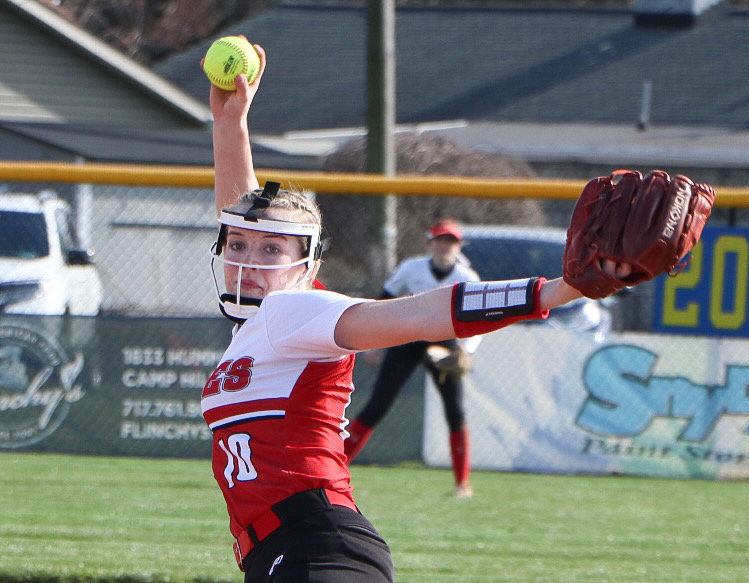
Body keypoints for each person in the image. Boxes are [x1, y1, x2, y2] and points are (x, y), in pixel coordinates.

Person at [202, 39, 627, 583]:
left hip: (317, 545)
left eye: (270, 251)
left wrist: (555, 291)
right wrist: (230, 125)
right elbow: (244, 215)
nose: (247, 260)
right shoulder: (256, 326)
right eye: (236, 246)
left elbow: (421, 315)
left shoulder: (296, 312)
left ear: (305, 264)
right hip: (281, 551)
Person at [343, 218, 482, 498]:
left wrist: (466, 349)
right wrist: (375, 342)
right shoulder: (411, 268)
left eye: (450, 241)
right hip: (406, 339)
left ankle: (462, 484)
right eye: (440, 240)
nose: (445, 246)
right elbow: (383, 302)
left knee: (455, 412)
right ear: (430, 243)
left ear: (459, 246)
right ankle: (335, 468)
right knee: (377, 406)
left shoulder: (468, 278)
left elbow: (478, 320)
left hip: (444, 345)